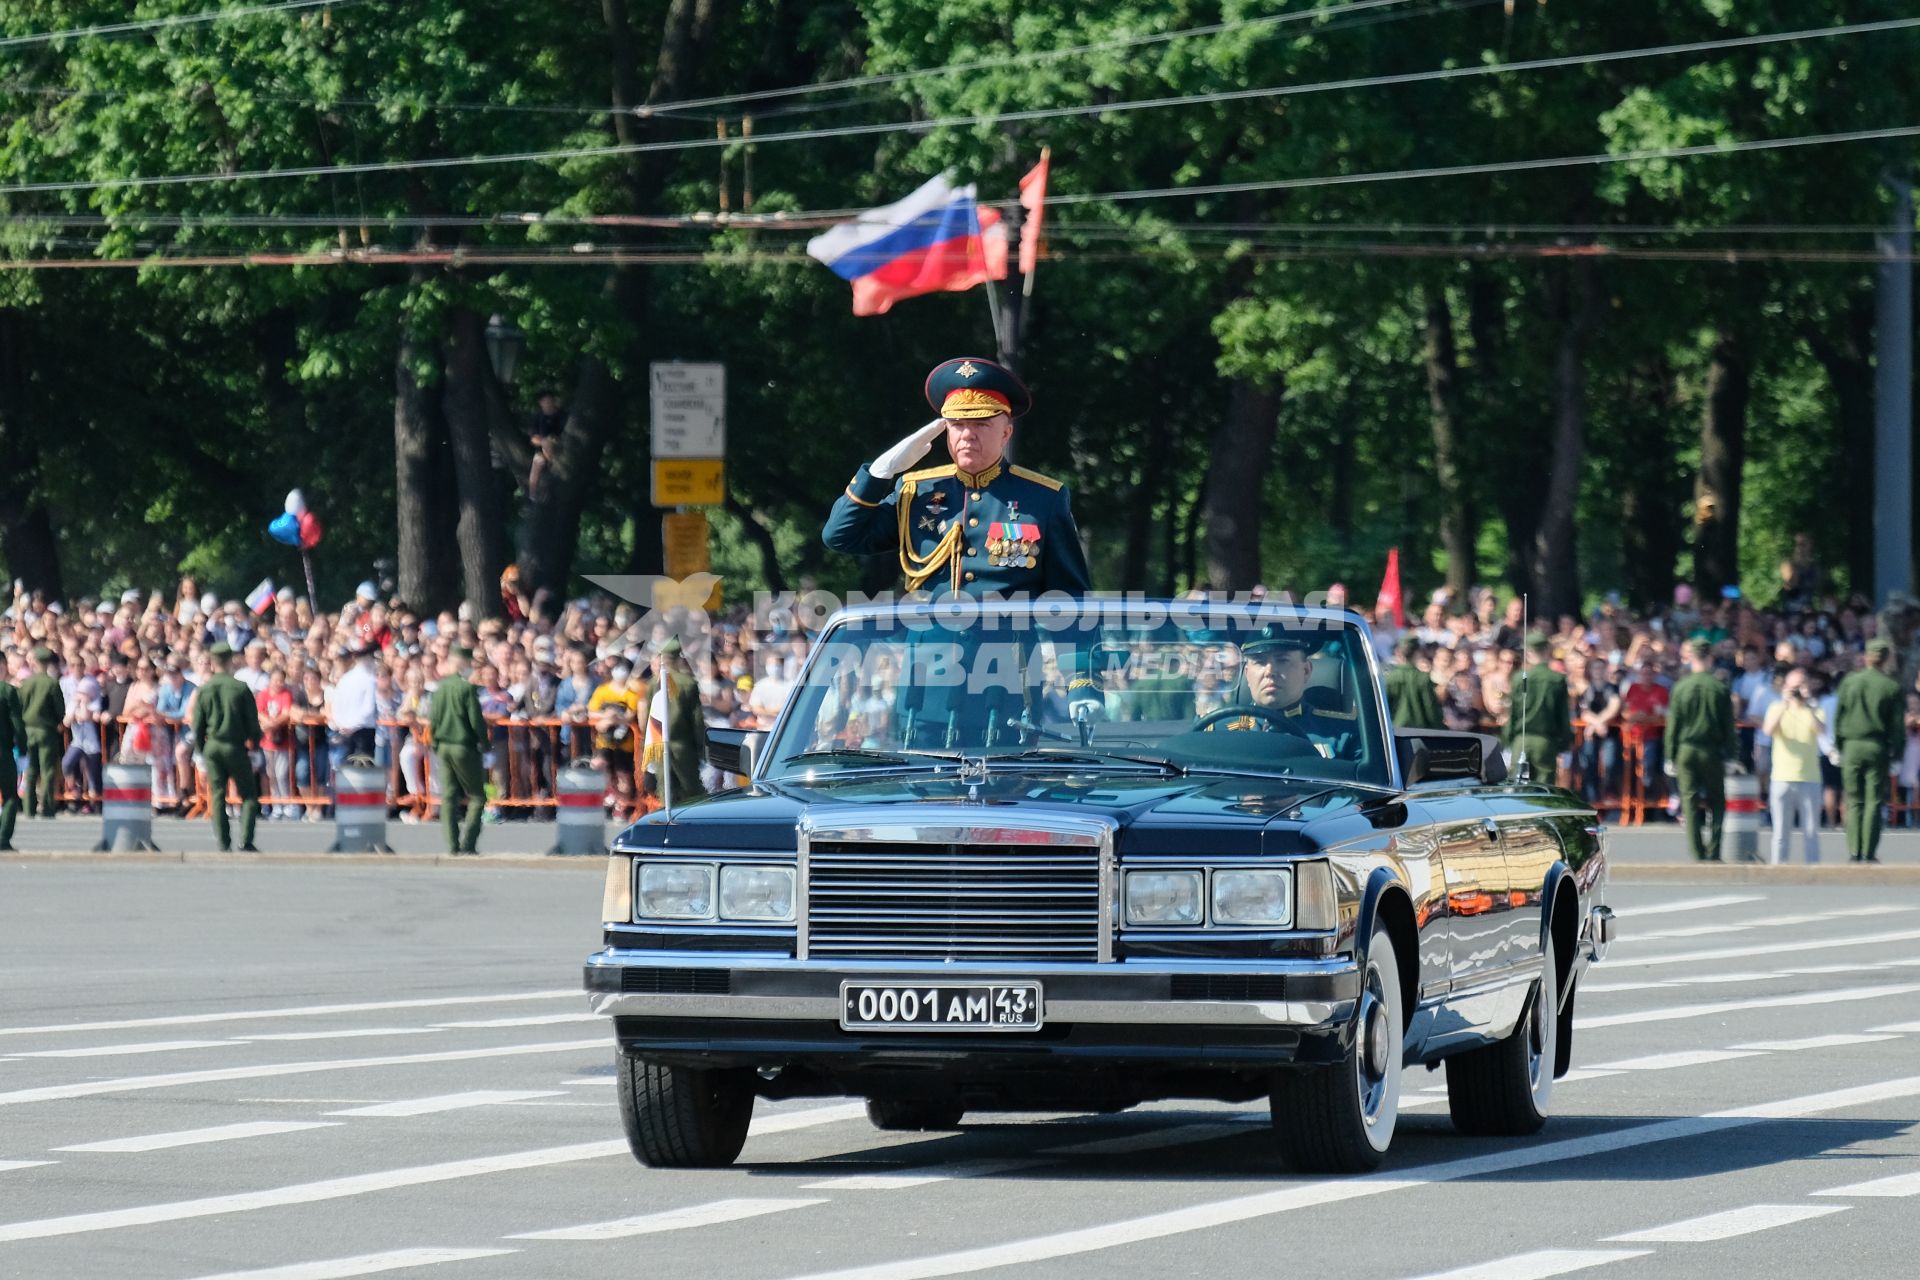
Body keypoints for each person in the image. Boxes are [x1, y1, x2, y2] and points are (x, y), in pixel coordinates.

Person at [822, 357, 1091, 598]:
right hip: (930, 653)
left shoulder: (1044, 498)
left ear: (1006, 433)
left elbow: (1071, 601)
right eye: (957, 425)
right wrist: (879, 474)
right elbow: (840, 536)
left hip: (1007, 651)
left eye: (981, 424)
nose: (967, 435)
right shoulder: (916, 492)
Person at [1664, 639, 1738, 862]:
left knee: (1689, 800)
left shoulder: (1680, 687)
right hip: (1711, 751)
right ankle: (1714, 851)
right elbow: (1728, 727)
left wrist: (1670, 755)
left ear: (1691, 658)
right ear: (1710, 658)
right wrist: (1732, 755)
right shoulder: (1719, 688)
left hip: (1686, 750)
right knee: (1717, 801)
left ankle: (1697, 851)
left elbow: (1673, 726)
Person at [1834, 637, 1903, 862]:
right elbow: (1897, 727)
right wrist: (1897, 752)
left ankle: (1854, 849)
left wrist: (1838, 744)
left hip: (1852, 744)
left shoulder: (1850, 681)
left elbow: (1839, 716)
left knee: (1854, 799)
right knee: (1874, 800)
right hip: (1877, 746)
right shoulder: (1891, 686)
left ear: (1866, 656)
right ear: (1885, 659)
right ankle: (1869, 851)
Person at [191, 641, 262, 852]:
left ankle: (223, 841)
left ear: (212, 662)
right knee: (248, 795)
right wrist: (255, 745)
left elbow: (197, 724)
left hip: (213, 745)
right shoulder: (240, 688)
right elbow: (252, 722)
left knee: (217, 794)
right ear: (230, 660)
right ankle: (246, 839)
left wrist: (200, 750)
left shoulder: (205, 689)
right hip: (235, 746)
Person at [1761, 667, 1826, 864]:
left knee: (1811, 830)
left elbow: (1821, 730)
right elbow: (1768, 731)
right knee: (1780, 831)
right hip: (1782, 776)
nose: (1797, 690)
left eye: (1801, 686)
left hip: (1809, 777)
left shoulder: (1815, 710)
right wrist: (1785, 703)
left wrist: (1805, 705)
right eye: (1793, 686)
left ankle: (1813, 868)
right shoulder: (1776, 708)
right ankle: (1779, 867)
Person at [429, 646, 489, 854]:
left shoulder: (440, 689)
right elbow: (476, 722)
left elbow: (433, 720)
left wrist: (435, 742)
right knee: (477, 797)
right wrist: (485, 742)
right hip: (463, 746)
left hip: (443, 745)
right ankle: (468, 843)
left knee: (448, 795)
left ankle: (452, 845)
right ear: (463, 663)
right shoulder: (466, 688)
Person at [642, 636, 709, 803]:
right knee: (693, 791)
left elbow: (648, 717)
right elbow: (697, 720)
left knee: (665, 793)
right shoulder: (688, 683)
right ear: (679, 657)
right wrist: (702, 747)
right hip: (682, 745)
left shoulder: (653, 683)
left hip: (658, 743)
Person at [1503, 632, 1573, 781]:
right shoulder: (1557, 679)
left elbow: (1513, 714)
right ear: (1548, 650)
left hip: (1521, 740)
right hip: (1545, 742)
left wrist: (1508, 738)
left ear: (1528, 652)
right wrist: (1565, 742)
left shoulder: (1518, 678)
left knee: (1519, 789)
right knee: (1544, 791)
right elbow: (1563, 715)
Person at [19, 646, 63, 818]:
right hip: (47, 731)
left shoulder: (27, 683)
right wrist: (56, 721)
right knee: (48, 770)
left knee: (30, 770)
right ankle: (48, 808)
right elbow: (60, 709)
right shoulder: (51, 683)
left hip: (28, 730)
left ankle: (29, 808)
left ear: (35, 662)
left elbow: (20, 706)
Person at [330, 642, 380, 760]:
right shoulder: (370, 680)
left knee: (345, 769)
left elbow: (335, 706)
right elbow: (368, 710)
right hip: (363, 731)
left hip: (343, 729)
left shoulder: (345, 679)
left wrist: (342, 725)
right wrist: (352, 727)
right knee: (363, 769)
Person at [0, 665, 23, 850]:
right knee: (9, 797)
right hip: (3, 752)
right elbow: (18, 724)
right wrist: (23, 748)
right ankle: (2, 837)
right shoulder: (7, 691)